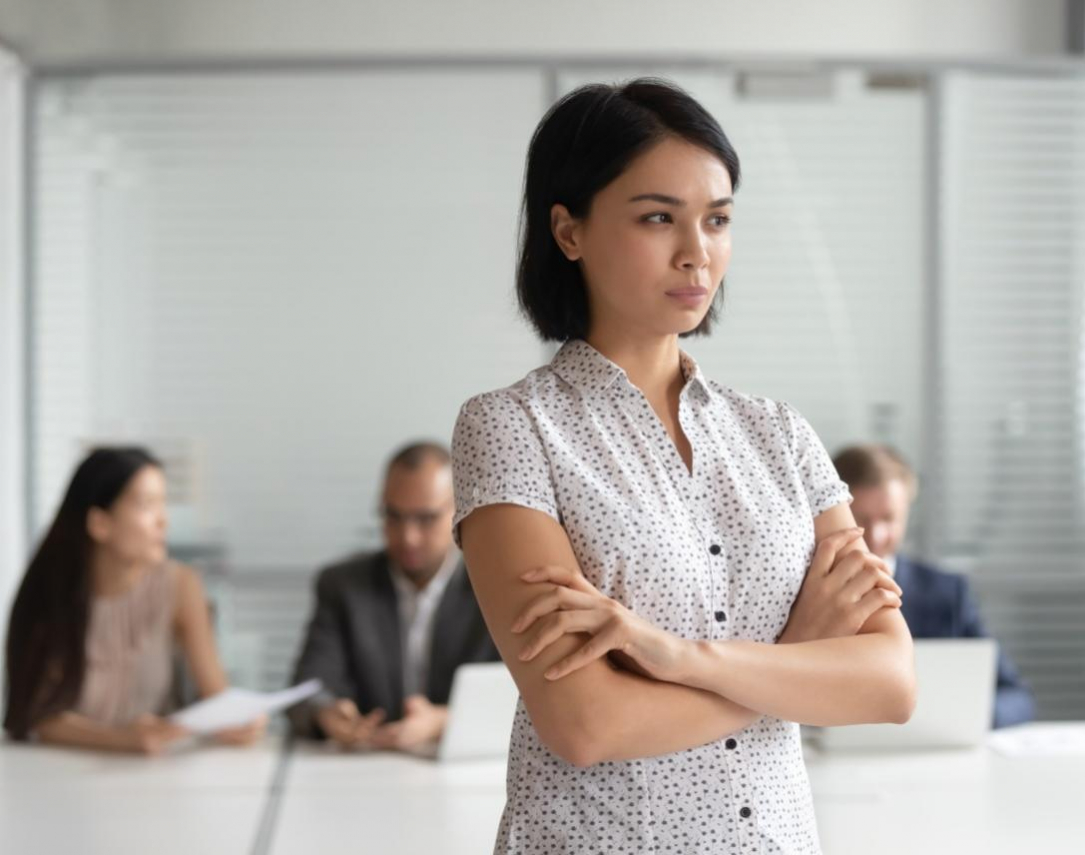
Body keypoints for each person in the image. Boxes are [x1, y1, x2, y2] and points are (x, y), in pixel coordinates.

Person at [450, 79, 915, 855]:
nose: (698, 252)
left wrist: (677, 657)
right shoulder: (510, 429)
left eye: (718, 219)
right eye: (658, 217)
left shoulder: (780, 436)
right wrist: (799, 660)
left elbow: (889, 683)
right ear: (569, 231)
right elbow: (587, 723)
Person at [3, 446, 265, 753]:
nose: (163, 521)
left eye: (163, 504)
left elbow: (215, 695)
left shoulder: (181, 585)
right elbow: (40, 717)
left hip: (156, 778)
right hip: (58, 773)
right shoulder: (51, 593)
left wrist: (237, 719)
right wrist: (120, 740)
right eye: (146, 505)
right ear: (100, 523)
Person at [287, 442, 498, 752]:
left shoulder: (493, 586)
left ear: (460, 510)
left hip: (465, 774)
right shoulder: (343, 585)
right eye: (393, 516)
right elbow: (307, 690)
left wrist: (444, 721)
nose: (407, 536)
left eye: (425, 519)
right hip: (365, 770)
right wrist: (326, 713)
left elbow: (526, 701)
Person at [832, 444, 1037, 728]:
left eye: (889, 519)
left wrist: (963, 718)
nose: (877, 536)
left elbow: (1016, 697)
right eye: (862, 520)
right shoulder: (805, 595)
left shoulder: (948, 593)